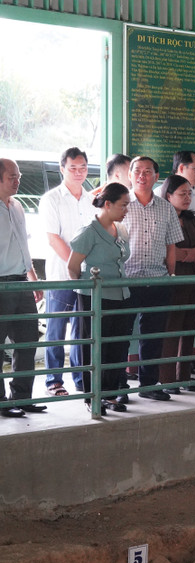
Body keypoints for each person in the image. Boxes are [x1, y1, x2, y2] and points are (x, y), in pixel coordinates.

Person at [122, 156, 184, 401]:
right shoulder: (120, 204)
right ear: (130, 175)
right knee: (120, 337)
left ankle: (149, 384)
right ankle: (117, 388)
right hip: (126, 281)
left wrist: (170, 276)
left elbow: (171, 246)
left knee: (154, 337)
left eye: (148, 171)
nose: (141, 175)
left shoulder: (166, 207)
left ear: (157, 177)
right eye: (137, 171)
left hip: (158, 281)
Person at [67, 183, 132, 414]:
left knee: (117, 347)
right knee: (93, 349)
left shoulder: (121, 229)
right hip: (94, 299)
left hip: (121, 296)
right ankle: (91, 397)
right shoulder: (89, 231)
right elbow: (73, 266)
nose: (127, 209)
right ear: (108, 204)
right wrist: (84, 295)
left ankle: (110, 394)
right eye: (123, 205)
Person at [39, 147, 97, 397]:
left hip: (86, 277)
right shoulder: (51, 199)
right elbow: (54, 239)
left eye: (82, 167)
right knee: (56, 330)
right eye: (72, 167)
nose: (78, 172)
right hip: (61, 276)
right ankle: (54, 381)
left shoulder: (91, 199)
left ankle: (81, 379)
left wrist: (85, 270)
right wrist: (75, 266)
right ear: (62, 168)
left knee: (81, 330)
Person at [0, 158, 46, 417]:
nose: (18, 180)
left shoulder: (17, 206)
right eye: (12, 177)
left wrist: (33, 278)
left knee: (27, 342)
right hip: (1, 284)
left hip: (21, 282)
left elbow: (23, 247)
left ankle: (22, 397)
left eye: (18, 176)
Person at [157, 175, 195, 395]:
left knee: (189, 326)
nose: (187, 198)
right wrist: (188, 253)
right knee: (171, 328)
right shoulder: (161, 216)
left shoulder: (189, 218)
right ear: (168, 196)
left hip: (191, 277)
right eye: (182, 194)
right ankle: (167, 380)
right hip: (172, 276)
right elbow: (165, 251)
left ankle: (184, 376)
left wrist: (191, 253)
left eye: (189, 193)